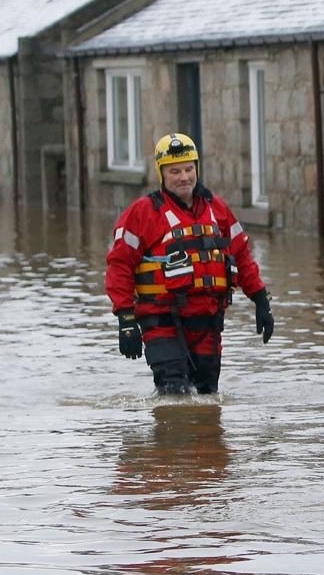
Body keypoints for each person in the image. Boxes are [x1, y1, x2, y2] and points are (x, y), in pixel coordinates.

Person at [105, 132, 274, 394]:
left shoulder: (217, 209)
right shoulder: (143, 213)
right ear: (162, 174)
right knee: (173, 391)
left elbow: (242, 255)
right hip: (162, 319)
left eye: (188, 169)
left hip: (207, 320)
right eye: (175, 171)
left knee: (207, 395)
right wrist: (126, 319)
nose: (184, 177)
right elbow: (120, 266)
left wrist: (261, 299)